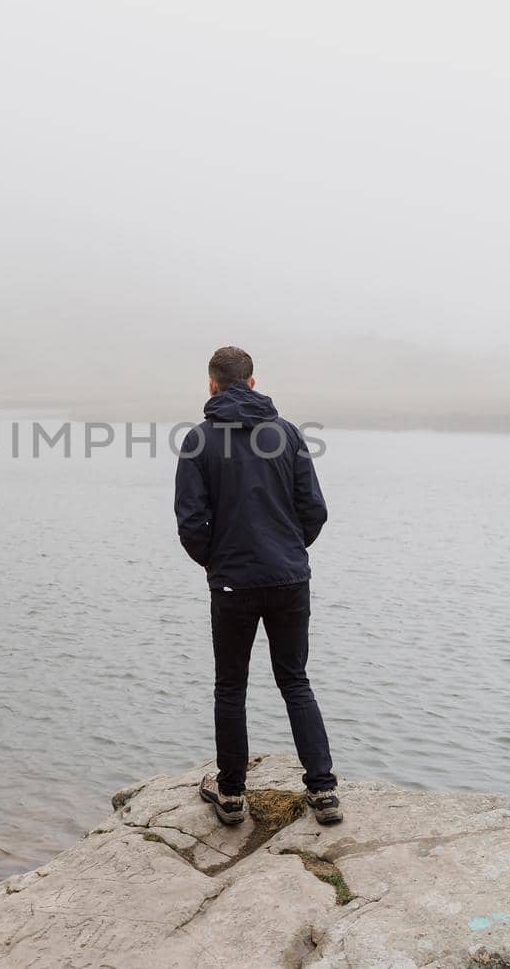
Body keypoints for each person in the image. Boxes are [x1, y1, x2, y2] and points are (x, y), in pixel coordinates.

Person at [173, 346, 341, 825]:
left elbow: (190, 522)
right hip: (289, 577)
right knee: (295, 681)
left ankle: (230, 796)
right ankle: (324, 791)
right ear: (252, 382)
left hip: (233, 585)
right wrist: (290, 550)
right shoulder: (285, 433)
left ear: (212, 385)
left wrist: (219, 562)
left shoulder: (199, 440)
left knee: (231, 687)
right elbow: (314, 509)